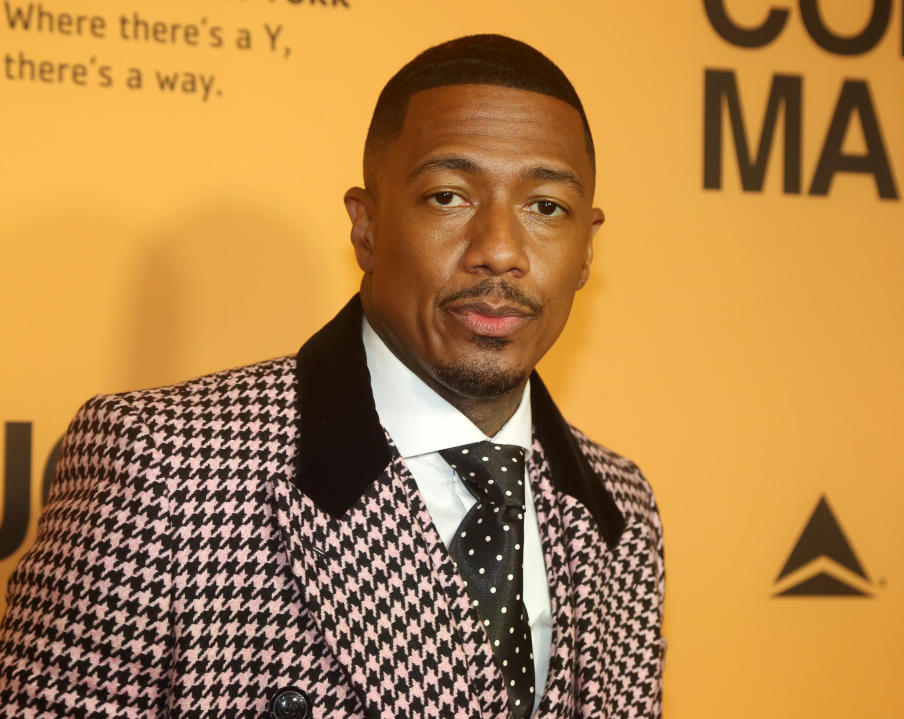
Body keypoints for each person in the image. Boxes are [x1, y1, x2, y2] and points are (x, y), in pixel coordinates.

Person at [0, 34, 664, 718]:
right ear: (367, 227)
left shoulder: (622, 509)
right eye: (448, 197)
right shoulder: (167, 467)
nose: (498, 250)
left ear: (587, 246)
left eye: (546, 206)